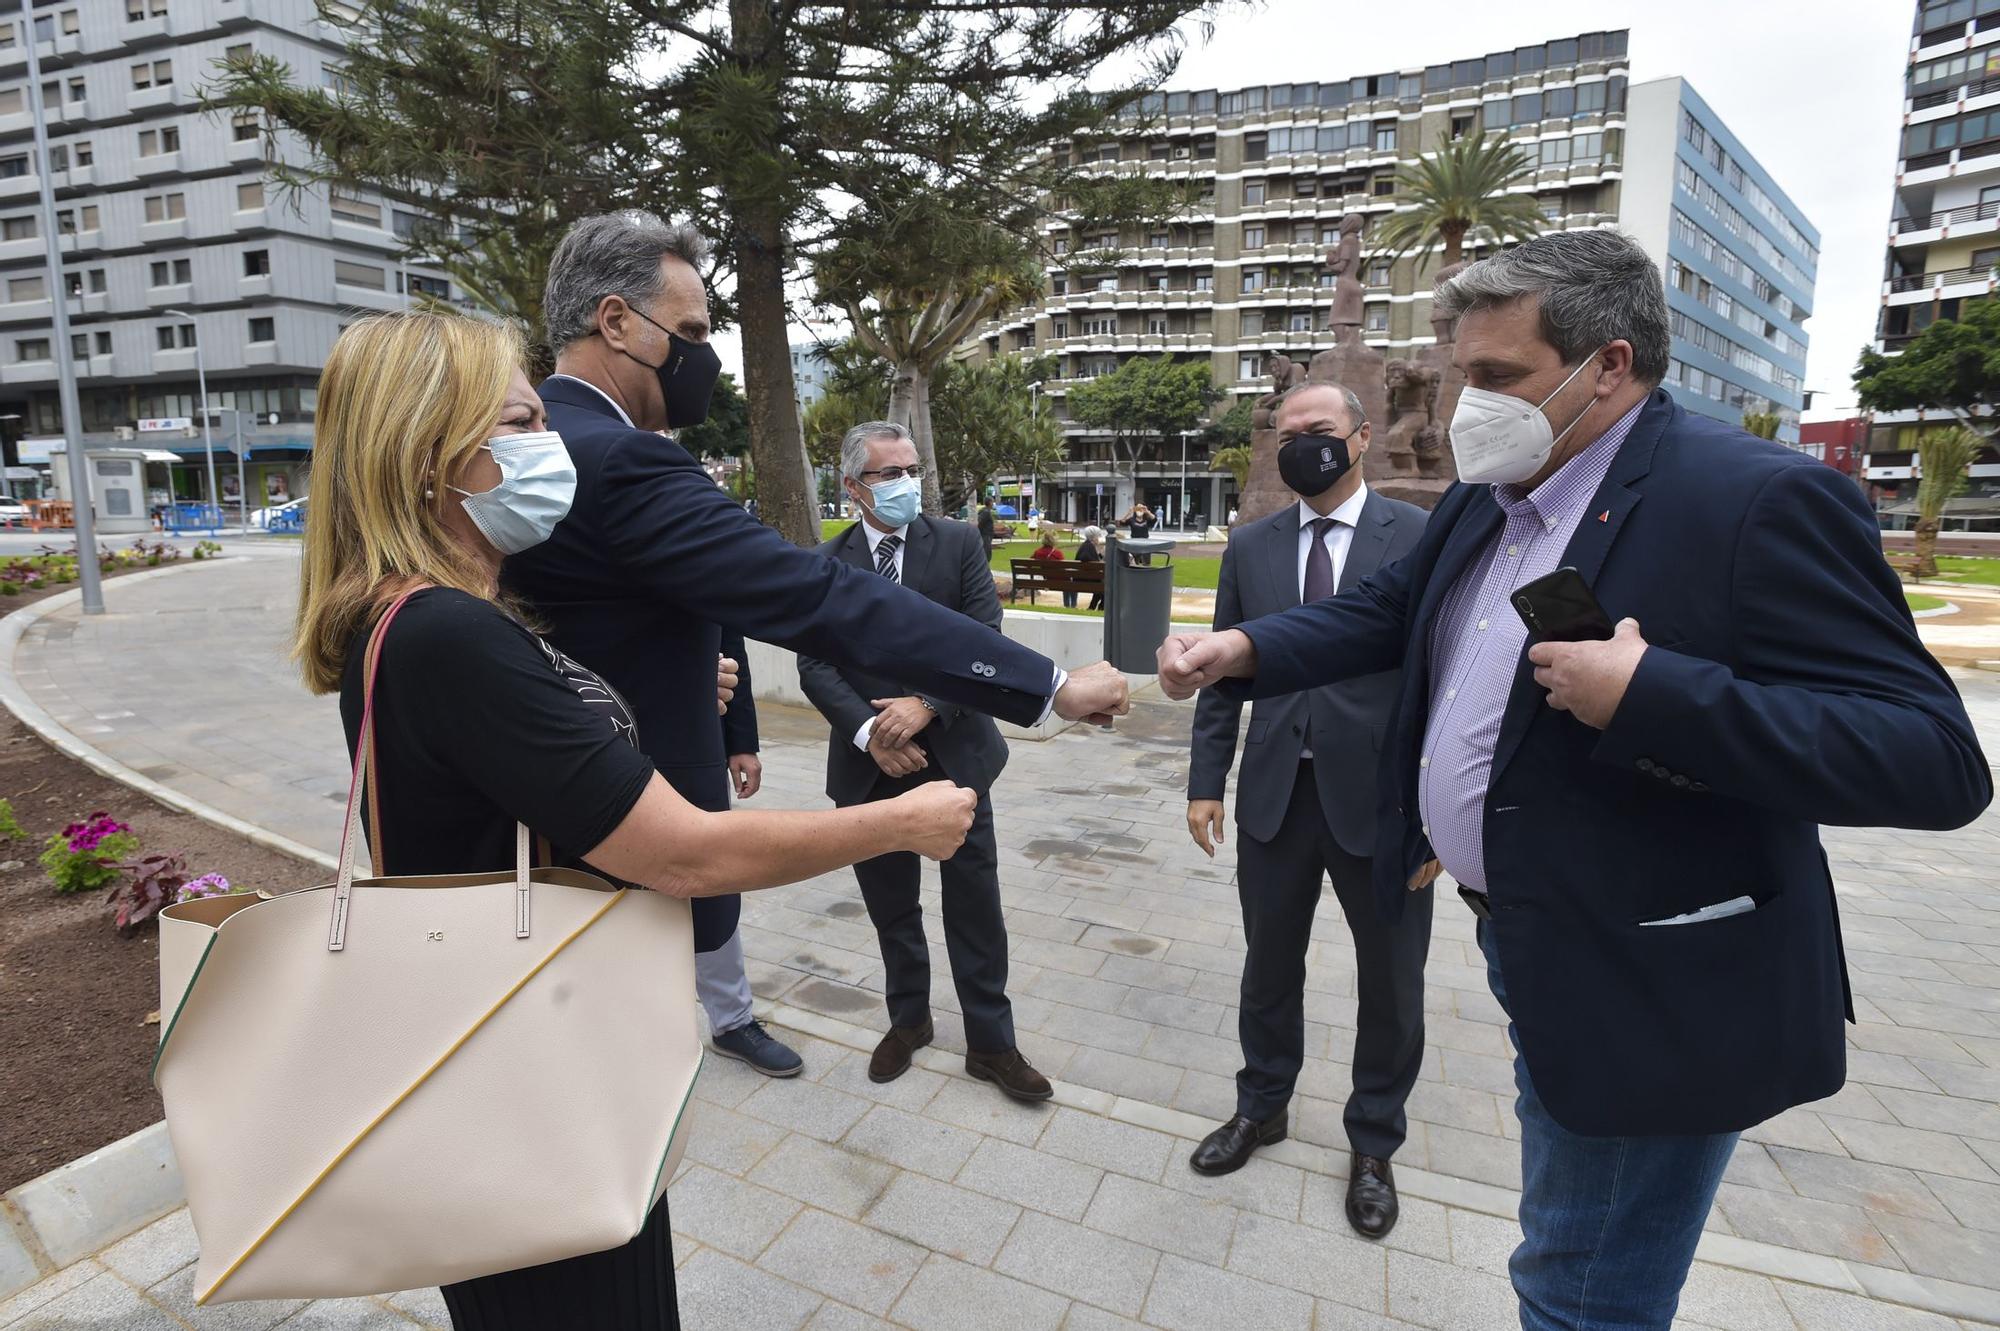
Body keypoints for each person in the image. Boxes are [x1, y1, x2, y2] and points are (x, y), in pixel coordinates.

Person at [1154, 230, 1992, 1331]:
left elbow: (1930, 756)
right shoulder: (1486, 492)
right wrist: (1249, 651)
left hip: (1653, 977)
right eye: (1460, 374)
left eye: (1496, 377)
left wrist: (1654, 692)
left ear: (1607, 364)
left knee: (1580, 1288)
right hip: (1528, 933)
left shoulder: (1748, 499)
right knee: (1567, 1248)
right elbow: (1391, 611)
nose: (1465, 403)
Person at [294, 310, 977, 1330]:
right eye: (522, 420)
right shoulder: (449, 633)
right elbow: (680, 848)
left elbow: (521, 765)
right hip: (535, 1086)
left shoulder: (402, 616)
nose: (548, 446)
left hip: (495, 1056)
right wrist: (900, 822)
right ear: (433, 450)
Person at [502, 212, 1129, 1079]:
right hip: (630, 847)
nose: (702, 357)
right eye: (688, 333)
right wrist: (1051, 683)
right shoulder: (624, 461)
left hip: (536, 837)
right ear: (615, 322)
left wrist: (685, 670)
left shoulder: (519, 447)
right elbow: (822, 602)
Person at [1185, 382, 1431, 1240]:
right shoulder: (1250, 544)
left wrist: (1437, 816)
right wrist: (1204, 780)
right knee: (1268, 966)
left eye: (1318, 433)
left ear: (1360, 440)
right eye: (1286, 435)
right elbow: (1222, 675)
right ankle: (1263, 1106)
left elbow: (1443, 680)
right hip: (1275, 795)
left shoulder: (1419, 534)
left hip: (1385, 805)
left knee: (1392, 982)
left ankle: (1372, 1143)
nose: (1300, 448)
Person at [797, 422, 1053, 1102]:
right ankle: (909, 1020)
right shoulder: (826, 560)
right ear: (854, 486)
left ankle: (992, 1044)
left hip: (956, 756)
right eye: (891, 472)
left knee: (975, 905)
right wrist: (869, 732)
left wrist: (927, 705)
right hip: (869, 769)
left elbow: (985, 640)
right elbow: (815, 663)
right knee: (892, 907)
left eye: (912, 468)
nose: (909, 482)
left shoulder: (960, 544)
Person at [1030, 529, 1074, 607]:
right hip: (1061, 582)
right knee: (1071, 583)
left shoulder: (1038, 552)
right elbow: (1064, 567)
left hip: (1047, 580)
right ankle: (1070, 606)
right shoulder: (1057, 553)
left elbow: (1028, 564)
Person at [1076, 525, 1106, 610]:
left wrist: (1100, 554)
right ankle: (1100, 608)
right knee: (1106, 587)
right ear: (1093, 537)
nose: (1098, 539)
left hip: (1083, 577)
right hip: (1086, 579)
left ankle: (1092, 608)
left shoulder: (1085, 545)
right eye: (1098, 536)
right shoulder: (1089, 546)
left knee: (1102, 586)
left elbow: (1091, 561)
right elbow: (1087, 558)